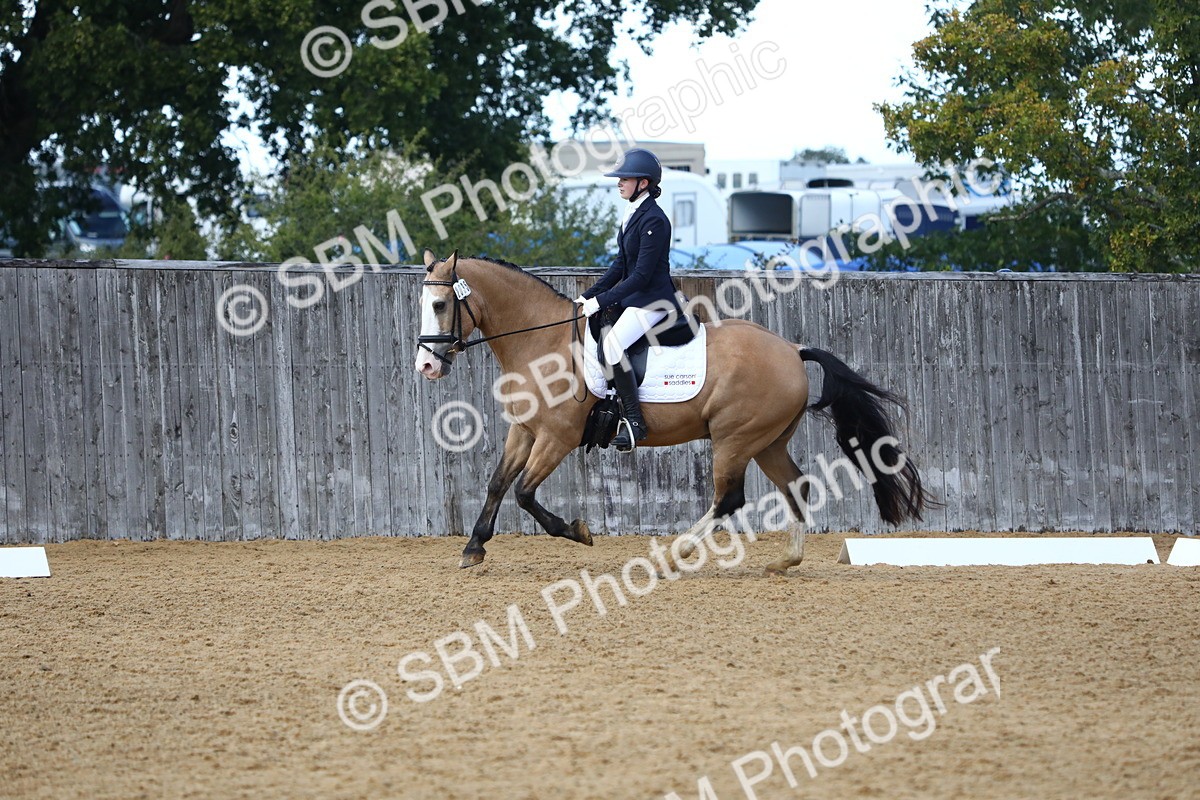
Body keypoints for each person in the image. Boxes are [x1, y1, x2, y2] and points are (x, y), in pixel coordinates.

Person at [575, 147, 682, 452]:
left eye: (625, 178)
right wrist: (587, 296)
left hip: (654, 301)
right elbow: (620, 265)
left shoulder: (655, 220)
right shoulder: (633, 213)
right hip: (635, 298)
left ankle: (635, 421)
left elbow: (641, 276)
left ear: (643, 183)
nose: (619, 183)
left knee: (612, 344)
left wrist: (601, 301)